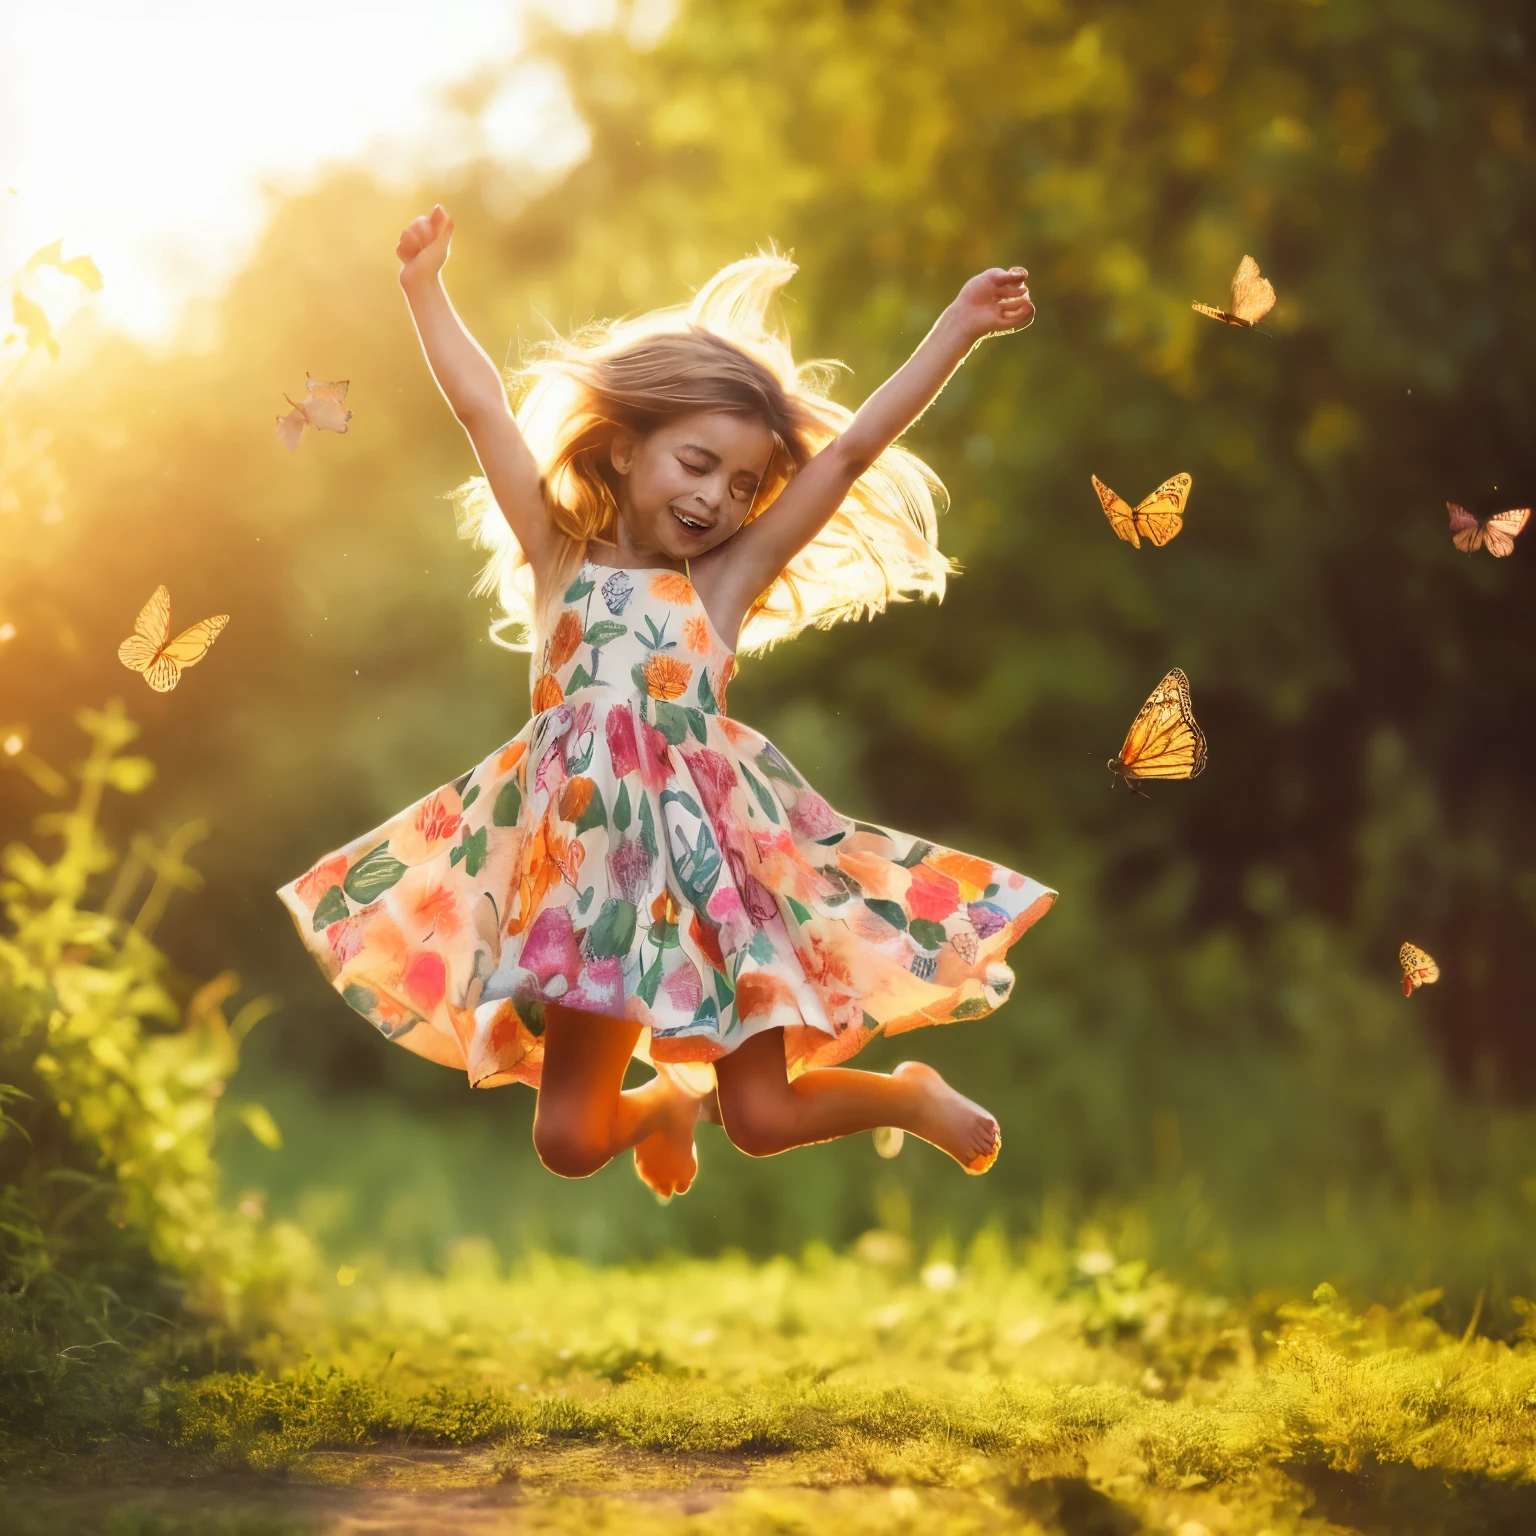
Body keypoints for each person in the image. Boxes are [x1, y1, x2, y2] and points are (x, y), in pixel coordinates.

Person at [278, 205, 1055, 1200]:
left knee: (765, 1119)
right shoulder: (559, 558)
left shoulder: (724, 584)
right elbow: (482, 408)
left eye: (742, 484)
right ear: (622, 452)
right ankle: (657, 1107)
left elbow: (850, 453)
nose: (717, 499)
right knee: (565, 1138)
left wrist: (955, 325)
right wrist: (424, 288)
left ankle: (907, 1097)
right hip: (586, 889)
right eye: (696, 465)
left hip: (708, 880)